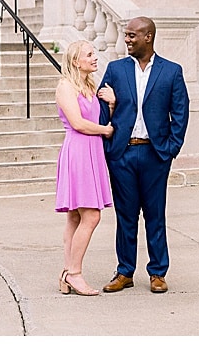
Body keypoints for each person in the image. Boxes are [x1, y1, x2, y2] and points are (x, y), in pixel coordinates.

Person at [96, 16, 189, 294]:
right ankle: (124, 272)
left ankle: (158, 272)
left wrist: (170, 149)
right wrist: (108, 146)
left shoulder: (171, 71)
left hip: (155, 154)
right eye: (126, 35)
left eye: (132, 35)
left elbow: (181, 113)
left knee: (155, 215)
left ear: (148, 37)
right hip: (122, 154)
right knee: (125, 216)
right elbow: (102, 106)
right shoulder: (115, 69)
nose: (126, 39)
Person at [54, 39, 115, 297]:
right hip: (78, 152)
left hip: (93, 151)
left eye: (94, 53)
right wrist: (105, 130)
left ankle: (68, 272)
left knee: (77, 217)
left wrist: (110, 105)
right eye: (89, 55)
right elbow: (78, 123)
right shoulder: (65, 86)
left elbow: (98, 118)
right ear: (75, 60)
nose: (94, 58)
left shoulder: (90, 85)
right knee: (91, 216)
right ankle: (74, 273)